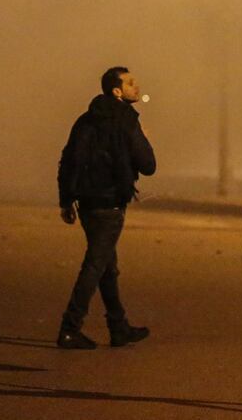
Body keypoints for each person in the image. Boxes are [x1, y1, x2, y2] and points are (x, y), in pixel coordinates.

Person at [56, 66, 156, 349]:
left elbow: (69, 159)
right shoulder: (125, 120)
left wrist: (66, 200)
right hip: (110, 205)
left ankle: (118, 325)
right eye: (130, 83)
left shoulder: (85, 120)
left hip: (86, 203)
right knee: (96, 264)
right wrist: (144, 138)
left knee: (107, 266)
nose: (137, 87)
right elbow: (148, 165)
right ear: (117, 91)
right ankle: (69, 327)